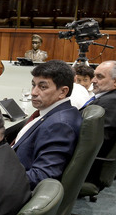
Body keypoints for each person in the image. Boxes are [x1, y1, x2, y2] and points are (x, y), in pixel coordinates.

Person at [7, 60, 82, 189]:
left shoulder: (60, 125)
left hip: (12, 185)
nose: (33, 92)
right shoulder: (56, 112)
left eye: (43, 87)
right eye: (33, 85)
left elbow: (42, 176)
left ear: (63, 92)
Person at [82, 60, 116, 158]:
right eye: (94, 76)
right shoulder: (108, 98)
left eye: (99, 76)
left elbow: (97, 142)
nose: (93, 81)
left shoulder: (115, 103)